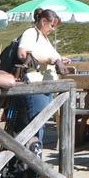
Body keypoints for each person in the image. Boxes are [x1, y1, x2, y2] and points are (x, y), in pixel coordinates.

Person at [16, 9, 69, 146]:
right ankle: (33, 158)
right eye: (52, 25)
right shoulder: (31, 33)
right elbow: (22, 55)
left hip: (45, 86)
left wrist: (60, 59)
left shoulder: (43, 37)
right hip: (36, 85)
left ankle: (34, 156)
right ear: (44, 21)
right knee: (36, 123)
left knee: (40, 122)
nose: (53, 29)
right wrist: (48, 60)